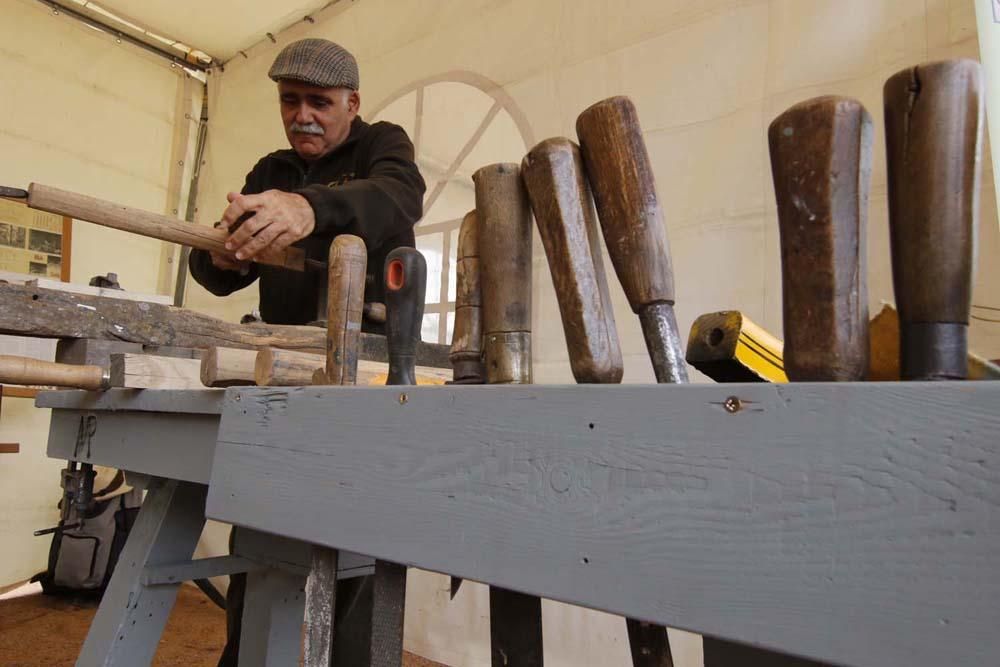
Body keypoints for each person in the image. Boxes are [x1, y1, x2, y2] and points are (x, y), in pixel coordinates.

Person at [187, 38, 426, 666]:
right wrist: (217, 252)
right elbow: (219, 272)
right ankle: (248, 654)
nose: (302, 117)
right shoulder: (270, 168)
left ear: (352, 103)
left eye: (319, 103)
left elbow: (400, 198)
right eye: (290, 102)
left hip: (367, 378)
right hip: (282, 377)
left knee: (358, 549)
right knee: (260, 527)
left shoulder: (383, 146)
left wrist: (308, 207)